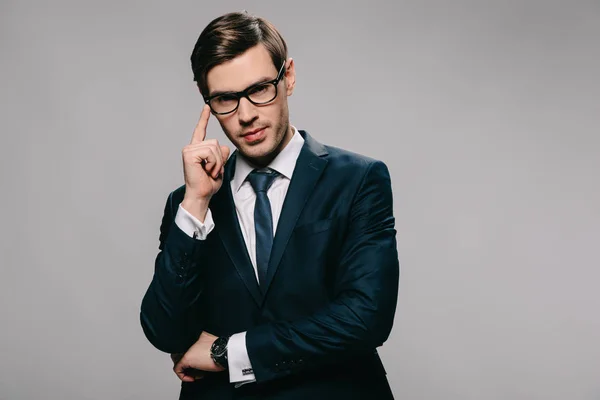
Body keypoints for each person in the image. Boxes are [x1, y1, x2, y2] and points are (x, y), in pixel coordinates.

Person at [140, 10, 400, 400]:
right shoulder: (189, 204)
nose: (246, 115)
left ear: (288, 77)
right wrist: (196, 202)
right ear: (207, 103)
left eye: (260, 88)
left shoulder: (358, 180)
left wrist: (228, 353)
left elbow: (366, 318)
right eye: (226, 99)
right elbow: (165, 331)